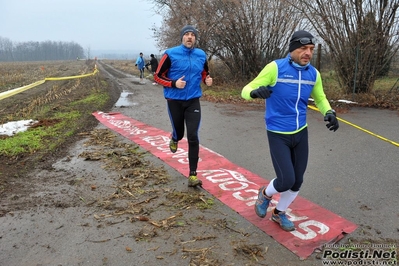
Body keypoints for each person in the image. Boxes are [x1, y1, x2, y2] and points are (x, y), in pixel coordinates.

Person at [241, 30, 339, 231]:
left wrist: (329, 112)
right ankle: (265, 195)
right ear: (293, 49)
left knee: (297, 181)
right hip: (278, 133)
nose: (308, 53)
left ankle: (279, 213)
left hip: (301, 132)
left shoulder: (314, 73)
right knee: (286, 179)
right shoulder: (275, 68)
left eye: (311, 49)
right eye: (303, 48)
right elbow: (245, 90)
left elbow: (320, 98)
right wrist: (254, 92)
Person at [154, 25, 213, 187]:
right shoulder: (170, 54)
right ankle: (174, 138)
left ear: (195, 38)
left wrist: (207, 79)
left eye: (192, 35)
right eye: (186, 34)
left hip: (193, 100)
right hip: (174, 100)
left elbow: (204, 72)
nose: (189, 37)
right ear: (182, 37)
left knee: (193, 136)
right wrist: (173, 83)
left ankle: (193, 175)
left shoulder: (201, 55)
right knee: (180, 134)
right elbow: (157, 76)